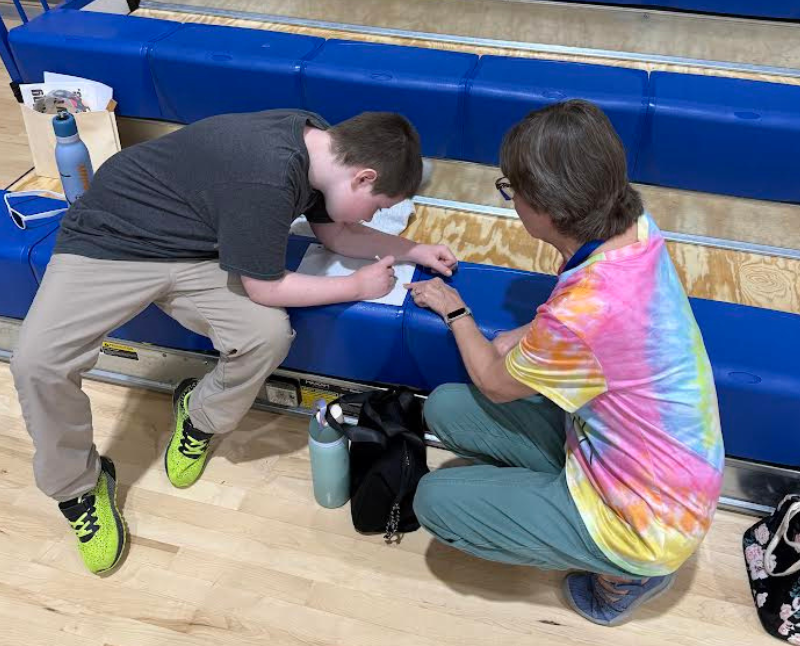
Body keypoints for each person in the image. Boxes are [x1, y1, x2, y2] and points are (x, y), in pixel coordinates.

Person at [11, 109, 457, 575]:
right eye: (378, 206)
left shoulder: (324, 150)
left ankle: (198, 417)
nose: (375, 217)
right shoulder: (265, 176)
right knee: (37, 363)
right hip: (111, 241)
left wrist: (412, 251)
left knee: (264, 336)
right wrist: (357, 288)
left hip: (198, 245)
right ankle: (79, 489)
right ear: (363, 178)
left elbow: (337, 233)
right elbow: (267, 287)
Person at [406, 100, 724, 627]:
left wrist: (455, 310)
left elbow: (492, 381)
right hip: (662, 463)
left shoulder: (577, 318)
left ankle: (626, 578)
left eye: (511, 190)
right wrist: (529, 336)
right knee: (443, 407)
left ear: (545, 210)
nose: (510, 201)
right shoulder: (634, 224)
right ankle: (554, 498)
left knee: (435, 500)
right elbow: (592, 314)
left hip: (648, 522)